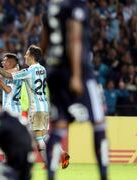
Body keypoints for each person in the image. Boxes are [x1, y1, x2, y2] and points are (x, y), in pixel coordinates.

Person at [41, 1, 108, 180]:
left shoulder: (51, 7)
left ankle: (50, 175)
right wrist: (77, 75)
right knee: (99, 122)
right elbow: (74, 37)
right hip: (77, 69)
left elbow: (44, 41)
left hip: (54, 71)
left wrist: (47, 67)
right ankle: (104, 175)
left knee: (59, 125)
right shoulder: (76, 5)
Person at [0, 45, 49, 161]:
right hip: (44, 106)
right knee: (42, 136)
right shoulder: (43, 69)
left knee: (36, 137)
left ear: (32, 56)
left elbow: (8, 75)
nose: (25, 56)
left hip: (35, 108)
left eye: (27, 54)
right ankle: (61, 154)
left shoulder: (29, 71)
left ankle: (45, 162)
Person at [0, 53, 22, 117]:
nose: (2, 62)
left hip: (12, 111)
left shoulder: (15, 75)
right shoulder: (9, 75)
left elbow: (8, 90)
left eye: (4, 60)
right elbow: (4, 90)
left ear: (10, 63)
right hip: (12, 109)